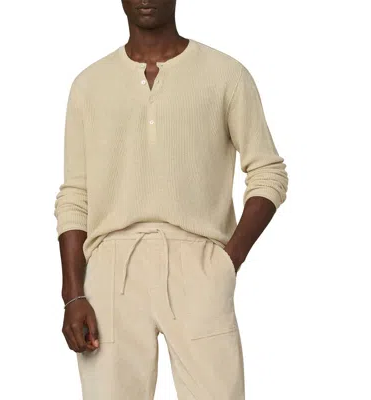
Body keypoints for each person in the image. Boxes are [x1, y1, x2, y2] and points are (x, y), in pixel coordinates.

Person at [53, 0, 289, 398]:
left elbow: (268, 172)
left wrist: (228, 261)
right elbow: (76, 195)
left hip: (198, 261)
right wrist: (72, 294)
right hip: (111, 267)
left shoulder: (225, 74)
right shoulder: (89, 85)